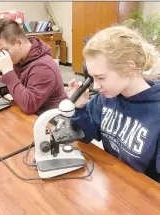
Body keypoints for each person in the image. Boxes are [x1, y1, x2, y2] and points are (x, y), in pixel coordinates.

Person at [66, 26, 160, 183]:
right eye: (93, 78)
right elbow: (86, 136)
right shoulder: (107, 97)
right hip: (114, 185)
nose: (95, 86)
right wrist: (80, 108)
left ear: (129, 68)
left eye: (101, 77)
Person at [0, 19, 67, 115]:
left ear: (19, 43)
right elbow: (6, 86)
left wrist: (8, 71)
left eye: (5, 50)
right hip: (32, 117)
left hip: (51, 121)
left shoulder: (43, 67)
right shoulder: (20, 59)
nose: (3, 55)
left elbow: (29, 105)